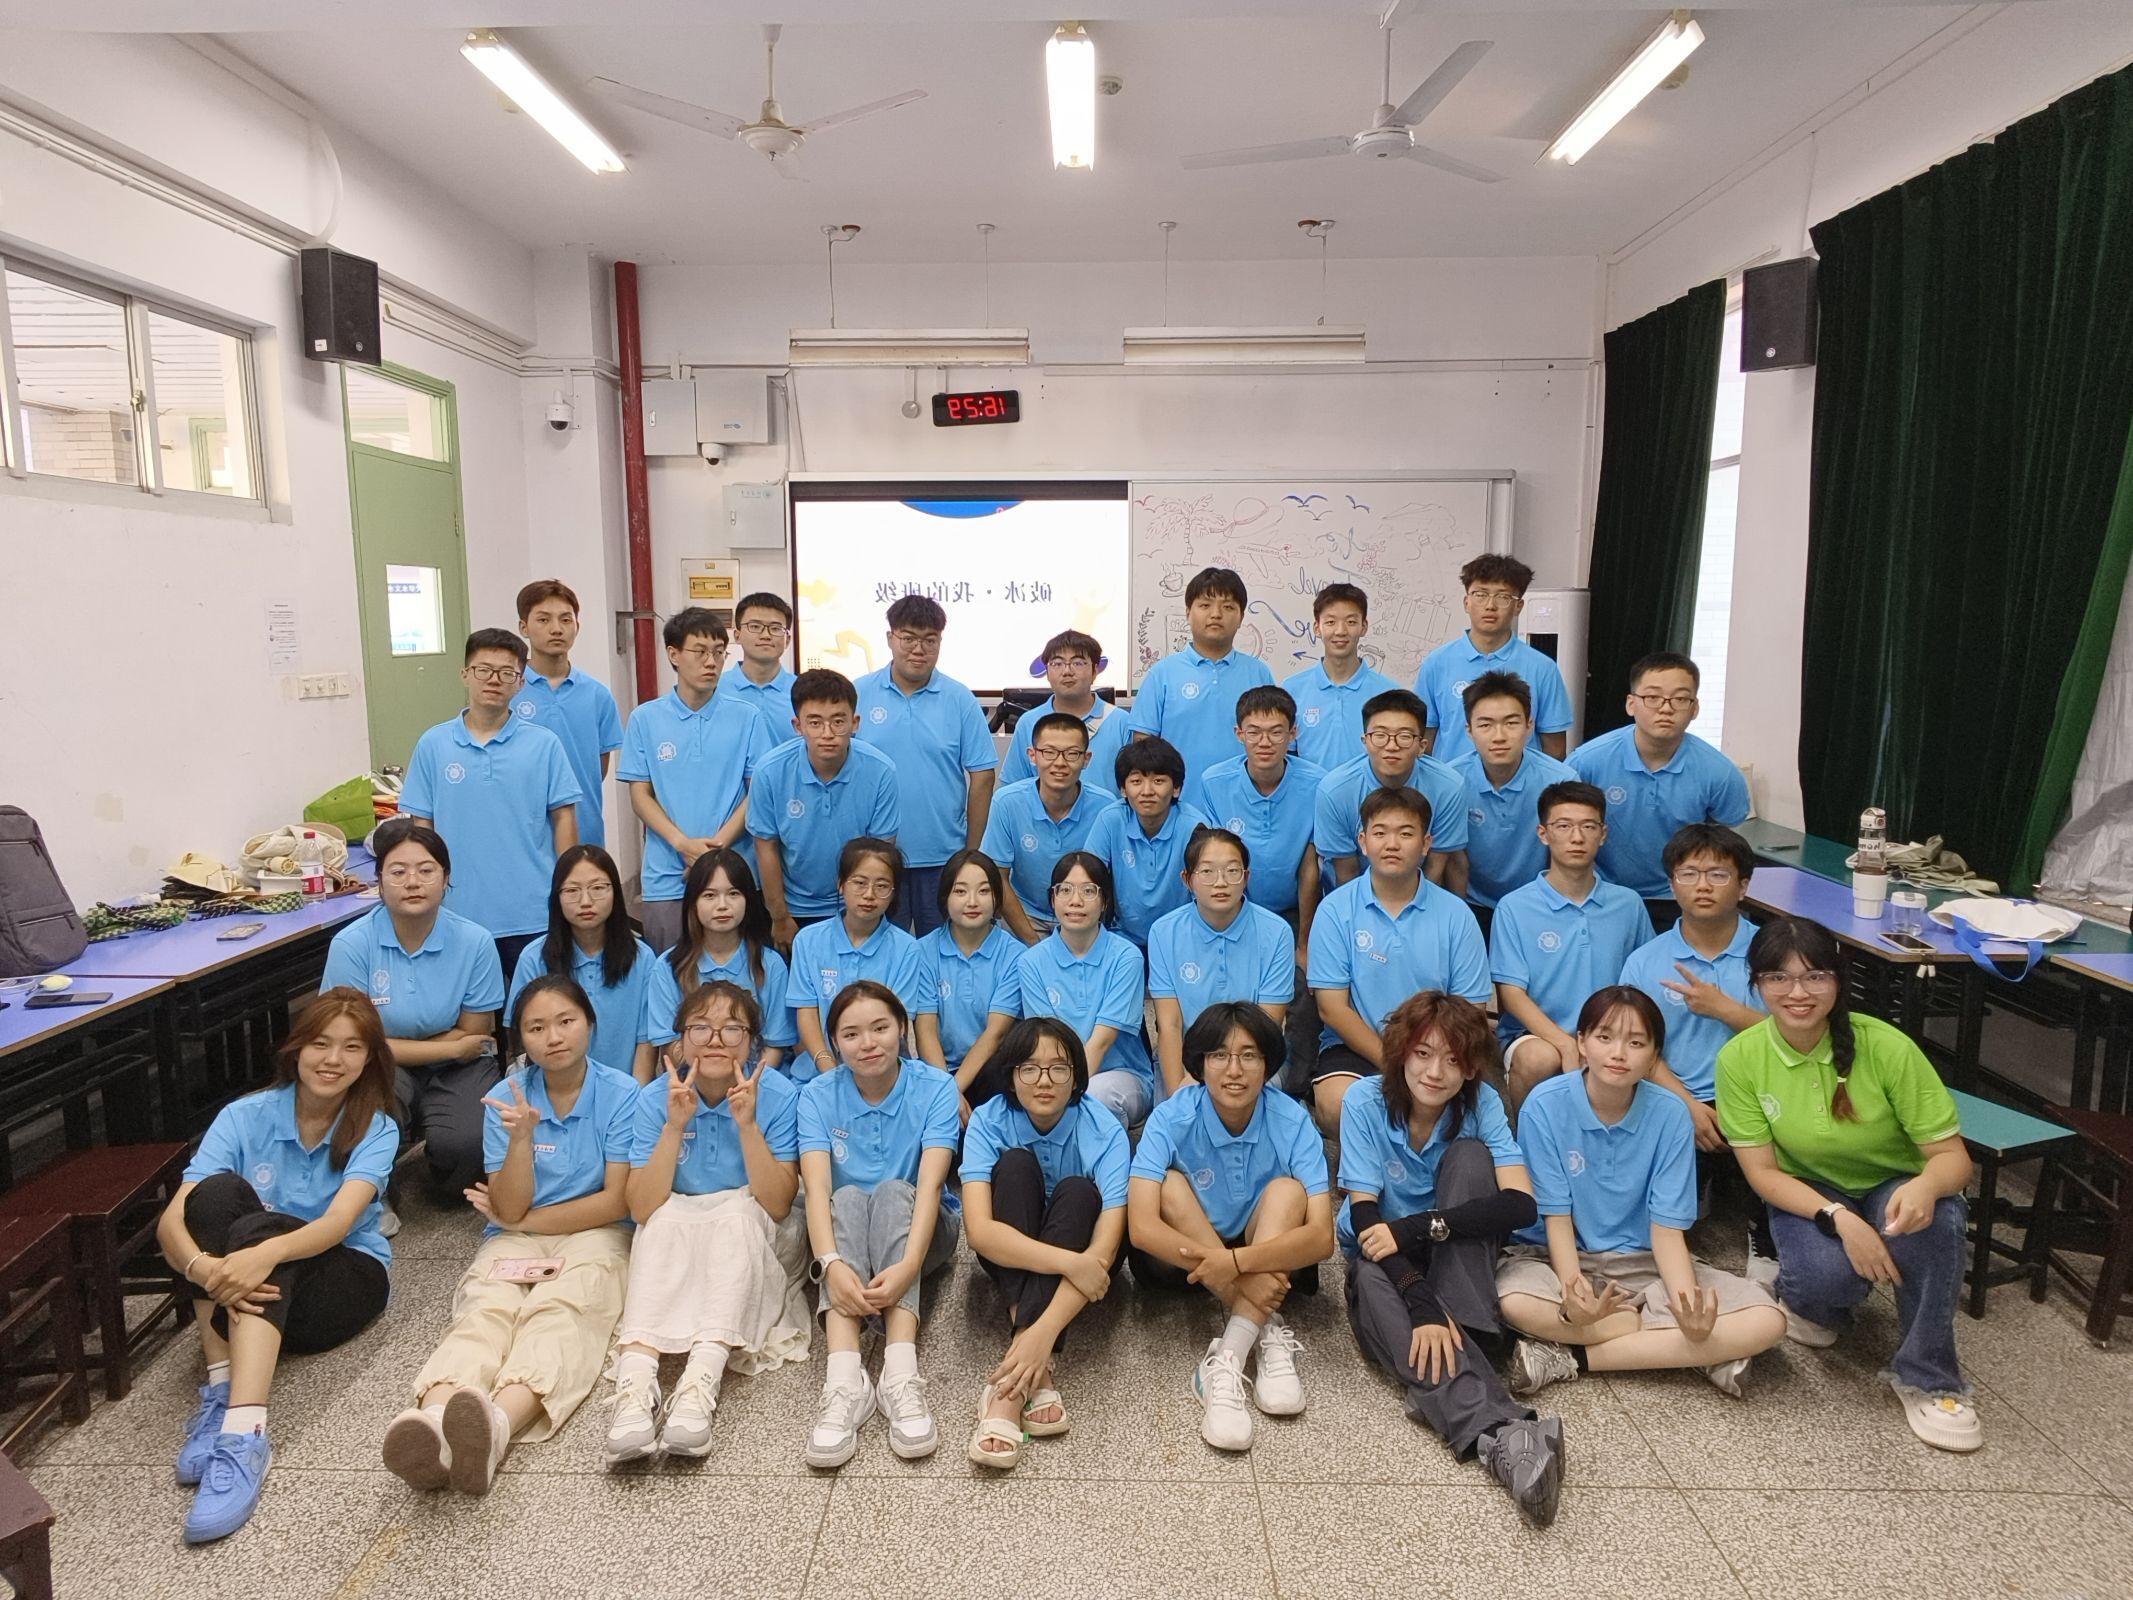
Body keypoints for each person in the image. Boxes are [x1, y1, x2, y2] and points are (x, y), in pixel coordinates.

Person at [1717, 917, 1981, 1452]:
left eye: (1815, 976)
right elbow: (1763, 1174)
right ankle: (1813, 1303)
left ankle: (1929, 1378)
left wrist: (1927, 1187)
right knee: (1826, 1281)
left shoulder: (1886, 1048)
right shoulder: (1740, 1059)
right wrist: (1841, 1220)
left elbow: (1953, 1159)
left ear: (1838, 980)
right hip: (1812, 1190)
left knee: (1936, 1224)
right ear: (1756, 983)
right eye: (1778, 978)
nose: (1797, 993)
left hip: (1893, 1179)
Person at [156, 988, 398, 1542]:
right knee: (213, 1197)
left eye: (352, 1047)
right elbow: (172, 1222)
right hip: (247, 1286)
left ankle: (246, 1433)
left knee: (262, 1232)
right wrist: (204, 1271)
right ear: (297, 1048)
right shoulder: (244, 1115)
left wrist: (262, 1253)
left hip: (345, 1280)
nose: (333, 1059)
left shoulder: (377, 1127)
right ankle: (222, 1388)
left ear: (369, 1059)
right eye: (320, 1043)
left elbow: (336, 1224)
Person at [382, 976, 637, 1492]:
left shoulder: (623, 1093)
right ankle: (435, 1420)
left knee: (565, 1309)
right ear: (521, 1039)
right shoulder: (504, 1097)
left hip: (599, 1231)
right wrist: (520, 1140)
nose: (554, 1037)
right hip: (517, 1233)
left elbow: (616, 1201)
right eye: (536, 1028)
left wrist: (520, 1221)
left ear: (589, 1024)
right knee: (486, 1305)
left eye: (566, 1021)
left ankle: (497, 1425)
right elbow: (511, 1205)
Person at [1334, 991, 1562, 1526]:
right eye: (1422, 1054)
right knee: (1370, 1278)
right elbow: (1366, 1220)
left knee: (1470, 1158)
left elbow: (1520, 1203)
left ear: (1472, 1067)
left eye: (1453, 1059)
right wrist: (1422, 1302)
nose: (1435, 1072)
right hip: (1384, 1261)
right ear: (1400, 1053)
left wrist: (1421, 1226)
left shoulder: (1481, 1104)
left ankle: (1451, 1382)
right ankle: (1502, 1433)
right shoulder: (1364, 1101)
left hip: (1451, 1253)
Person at [1494, 985, 1785, 1404]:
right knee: (1512, 1302)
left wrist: (1687, 1308)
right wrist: (1576, 1299)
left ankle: (1571, 1356)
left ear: (1653, 1057)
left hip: (1645, 1264)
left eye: (1636, 1043)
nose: (1618, 1053)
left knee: (1767, 1320)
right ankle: (1690, 1351)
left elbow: (1667, 1232)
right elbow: (1557, 1218)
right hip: (1555, 1259)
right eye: (1605, 1037)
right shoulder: (1545, 1105)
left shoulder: (1671, 1114)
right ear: (1581, 1042)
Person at [606, 981, 809, 1463]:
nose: (716, 1040)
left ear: (752, 1041)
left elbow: (778, 1204)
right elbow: (641, 1207)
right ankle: (635, 1388)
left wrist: (747, 1124)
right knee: (659, 1222)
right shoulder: (655, 1097)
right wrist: (674, 1126)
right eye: (701, 1028)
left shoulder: (779, 1094)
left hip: (756, 1228)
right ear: (680, 1040)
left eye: (732, 1029)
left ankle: (700, 1383)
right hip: (681, 1226)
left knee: (736, 1216)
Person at [1125, 1002, 1334, 1453]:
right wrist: (1240, 1277)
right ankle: (1263, 1322)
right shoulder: (1172, 1116)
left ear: (1268, 1064)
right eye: (1219, 1055)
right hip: (1182, 1263)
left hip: (1262, 1253)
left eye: (1249, 1056)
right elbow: (1140, 1227)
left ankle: (1227, 1359)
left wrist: (1236, 1262)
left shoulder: (1292, 1119)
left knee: (1288, 1192)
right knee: (1169, 1186)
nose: (1234, 1070)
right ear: (1199, 1064)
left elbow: (1322, 1237)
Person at [799, 981, 963, 1468]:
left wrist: (909, 1264)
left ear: (902, 1030)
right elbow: (817, 1192)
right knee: (848, 1196)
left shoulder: (936, 1087)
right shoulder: (816, 1095)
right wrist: (831, 1265)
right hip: (844, 1237)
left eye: (880, 1028)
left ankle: (899, 1372)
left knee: (892, 1191)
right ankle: (844, 1378)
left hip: (923, 1233)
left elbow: (930, 1187)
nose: (868, 1043)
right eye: (851, 1034)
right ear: (834, 1043)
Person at [959, 1017, 1130, 1469]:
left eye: (1058, 1068)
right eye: (1029, 1068)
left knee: (1078, 1192)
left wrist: (1041, 1331)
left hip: (1085, 1251)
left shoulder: (1104, 1129)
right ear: (1011, 1074)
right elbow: (980, 1232)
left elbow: (1102, 1253)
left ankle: (1009, 1392)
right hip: (1016, 1249)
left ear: (1077, 1076)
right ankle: (1039, 1373)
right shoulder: (989, 1120)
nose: (1044, 1080)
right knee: (1015, 1166)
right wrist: (1068, 1265)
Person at [322, 820, 504, 1200]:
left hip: (458, 1067)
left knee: (467, 1152)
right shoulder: (351, 945)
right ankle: (370, 1194)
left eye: (425, 871)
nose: (412, 882)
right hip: (379, 1064)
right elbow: (351, 1042)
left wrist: (397, 1044)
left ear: (446, 878)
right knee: (358, 1118)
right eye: (398, 872)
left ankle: (439, 1160)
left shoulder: (475, 941)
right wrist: (451, 1046)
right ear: (379, 881)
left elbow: (475, 1032)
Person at [1307, 787, 1491, 1134]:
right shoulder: (1334, 909)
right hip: (1358, 1046)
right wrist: (1395, 1064)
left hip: (1438, 1049)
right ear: (1363, 842)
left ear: (1426, 844)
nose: (1392, 844)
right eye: (1380, 833)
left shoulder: (1456, 914)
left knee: (1457, 1115)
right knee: (1337, 1104)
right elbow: (1332, 1009)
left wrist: (1425, 1060)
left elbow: (1471, 1009)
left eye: (1406, 834)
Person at [399, 627, 580, 974]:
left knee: (539, 1004)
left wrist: (567, 890)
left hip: (533, 913)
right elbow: (422, 828)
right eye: (483, 669)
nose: (494, 680)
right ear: (465, 675)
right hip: (455, 913)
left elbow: (564, 820)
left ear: (521, 682)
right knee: (466, 1007)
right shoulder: (433, 744)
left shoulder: (544, 745)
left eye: (507, 672)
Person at [1620, 824, 1765, 1234]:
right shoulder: (1644, 962)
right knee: (1677, 1217)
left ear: (1743, 886)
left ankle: (1765, 1228)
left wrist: (1726, 1010)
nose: (1703, 886)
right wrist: (1686, 1104)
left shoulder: (1771, 954)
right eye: (1689, 874)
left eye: (1718, 874)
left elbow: (1802, 1040)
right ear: (1672, 885)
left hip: (1758, 1098)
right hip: (1675, 1096)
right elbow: (1637, 1048)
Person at [1187, 685, 1324, 1088]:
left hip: (1295, 908)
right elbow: (1215, 854)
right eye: (1254, 732)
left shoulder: (1317, 782)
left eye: (1276, 732)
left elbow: (1310, 866)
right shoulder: (1215, 781)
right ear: (1238, 734)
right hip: (1234, 905)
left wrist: (1304, 943)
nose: (1265, 742)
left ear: (1293, 733)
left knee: (1303, 987)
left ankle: (1294, 1086)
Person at [617, 607, 774, 956]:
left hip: (735, 873)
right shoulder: (645, 719)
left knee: (739, 976)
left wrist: (716, 848)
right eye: (700, 651)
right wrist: (682, 844)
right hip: (668, 878)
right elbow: (640, 796)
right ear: (673, 654)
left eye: (719, 652)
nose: (711, 662)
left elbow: (757, 794)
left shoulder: (747, 717)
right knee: (673, 974)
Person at [1491, 781, 1653, 1111]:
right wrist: (1566, 1044)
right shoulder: (1514, 906)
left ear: (1603, 834)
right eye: (1563, 826)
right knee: (1538, 1059)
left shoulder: (1628, 904)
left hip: (1613, 1032)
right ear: (1543, 833)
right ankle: (1527, 1137)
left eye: (1588, 827)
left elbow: (1644, 981)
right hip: (1537, 1034)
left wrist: (1605, 1041)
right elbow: (1511, 993)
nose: (1576, 837)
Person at [855, 595, 999, 936]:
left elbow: (982, 777)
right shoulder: (858, 693)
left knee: (945, 950)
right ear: (890, 638)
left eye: (930, 640)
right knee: (881, 951)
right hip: (876, 859)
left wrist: (971, 853)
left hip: (944, 859)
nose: (919, 649)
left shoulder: (959, 698)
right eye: (908, 638)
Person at [1568, 652, 1750, 920]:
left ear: (1695, 708)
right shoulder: (1587, 761)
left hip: (1680, 898)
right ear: (1631, 704)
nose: (1666, 708)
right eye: (1652, 697)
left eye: (1680, 699)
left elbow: (1727, 837)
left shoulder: (1720, 772)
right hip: (1602, 894)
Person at [988, 853, 1156, 1128]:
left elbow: (1101, 1042)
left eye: (1088, 891)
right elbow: (1047, 1039)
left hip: (1122, 1076)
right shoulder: (1031, 962)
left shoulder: (1126, 957)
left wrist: (1066, 1092)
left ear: (1104, 901)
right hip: (1053, 1074)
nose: (1075, 900)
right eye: (1064, 890)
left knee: (1096, 1095)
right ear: (1052, 899)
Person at [747, 669, 900, 950]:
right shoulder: (769, 772)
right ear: (797, 726)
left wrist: (860, 914)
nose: (827, 734)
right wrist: (779, 916)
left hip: (857, 908)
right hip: (794, 909)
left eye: (838, 721)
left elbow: (880, 855)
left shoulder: (881, 772)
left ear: (855, 723)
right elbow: (765, 847)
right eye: (815, 723)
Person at [1148, 827, 1293, 1096]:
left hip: (1254, 1057)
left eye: (1232, 870)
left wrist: (1220, 1073)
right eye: (1207, 871)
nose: (1220, 882)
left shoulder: (1277, 932)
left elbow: (1267, 1025)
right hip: (1186, 1060)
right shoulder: (1163, 932)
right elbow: (1170, 1025)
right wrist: (1178, 1093)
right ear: (1187, 879)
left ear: (1246, 877)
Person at [788, 839, 944, 1081]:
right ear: (841, 884)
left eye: (882, 886)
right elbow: (806, 1013)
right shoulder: (808, 941)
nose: (869, 895)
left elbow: (896, 1021)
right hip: (818, 1073)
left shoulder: (907, 948)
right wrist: (830, 1072)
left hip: (881, 1072)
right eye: (859, 883)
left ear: (894, 892)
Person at [507, 846, 658, 1083]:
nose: (586, 901)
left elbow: (645, 1041)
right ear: (556, 897)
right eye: (572, 890)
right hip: (553, 1089)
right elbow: (525, 1040)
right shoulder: (534, 958)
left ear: (615, 892)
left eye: (598, 888)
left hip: (623, 1092)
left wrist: (635, 1098)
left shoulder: (642, 958)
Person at [643, 848, 798, 1079]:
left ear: (748, 900)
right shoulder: (668, 966)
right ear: (693, 903)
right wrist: (713, 1081)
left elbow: (775, 1046)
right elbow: (670, 1047)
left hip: (757, 1081)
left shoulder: (770, 964)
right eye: (709, 895)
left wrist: (745, 1083)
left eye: (733, 893)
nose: (722, 905)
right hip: (693, 1081)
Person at [1414, 554, 1573, 764]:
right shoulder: (1436, 664)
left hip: (1521, 783)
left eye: (1503, 597)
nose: (1490, 605)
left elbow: (1555, 749)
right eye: (1480, 594)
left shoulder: (1543, 668)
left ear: (1518, 606)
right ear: (1466, 602)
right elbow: (1425, 741)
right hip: (1453, 781)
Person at [1312, 688, 1470, 895]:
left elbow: (1435, 868)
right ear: (1365, 742)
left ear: (1422, 746)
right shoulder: (1335, 791)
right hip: (1353, 893)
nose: (1392, 746)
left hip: (1421, 890)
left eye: (1404, 736)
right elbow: (1346, 872)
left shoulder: (1448, 787)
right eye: (1380, 735)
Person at [1448, 671, 1577, 921]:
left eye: (1511, 723)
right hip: (1473, 905)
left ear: (1529, 726)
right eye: (1485, 725)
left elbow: (1565, 856)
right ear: (1469, 730)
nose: (1499, 736)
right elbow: (1452, 859)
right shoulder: (1452, 781)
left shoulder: (1561, 780)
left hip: (1540, 905)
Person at [1128, 566, 1274, 783]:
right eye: (1205, 605)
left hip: (1243, 798)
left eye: (1228, 607)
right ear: (1188, 613)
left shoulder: (1259, 673)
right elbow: (1143, 747)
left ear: (1241, 617)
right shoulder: (1161, 674)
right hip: (1179, 799)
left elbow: (1274, 742)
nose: (1216, 614)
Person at [511, 578, 624, 849]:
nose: (556, 629)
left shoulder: (597, 695)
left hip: (585, 832)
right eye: (543, 620)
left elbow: (598, 770)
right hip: (523, 836)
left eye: (565, 620)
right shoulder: (509, 691)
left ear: (577, 627)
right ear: (524, 627)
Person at [980, 711, 1109, 942]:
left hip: (1086, 916)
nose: (1059, 763)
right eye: (1049, 752)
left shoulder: (1105, 807)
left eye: (1072, 754)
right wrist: (1032, 943)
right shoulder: (1007, 803)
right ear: (1032, 755)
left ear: (1086, 759)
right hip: (1026, 914)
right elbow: (997, 876)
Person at [1086, 736, 1209, 946]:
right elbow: (1087, 878)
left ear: (1176, 788)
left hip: (1181, 939)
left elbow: (1206, 890)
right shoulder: (1111, 819)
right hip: (1122, 937)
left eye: (1158, 781)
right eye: (1136, 781)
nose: (1147, 791)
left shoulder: (1194, 826)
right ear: (1123, 789)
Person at [920, 849, 1026, 1088]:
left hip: (992, 1070)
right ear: (945, 897)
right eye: (960, 891)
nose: (972, 902)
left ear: (997, 897)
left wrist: (952, 1092)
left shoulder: (1015, 955)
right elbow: (925, 1031)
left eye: (984, 891)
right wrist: (945, 1090)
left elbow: (996, 1033)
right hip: (938, 1072)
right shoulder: (923, 951)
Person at [998, 629, 1132, 795]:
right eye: (1057, 663)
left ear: (1094, 671)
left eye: (1078, 663)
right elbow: (1013, 788)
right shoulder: (1029, 722)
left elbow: (1135, 786)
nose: (1067, 671)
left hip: (1107, 812)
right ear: (1047, 673)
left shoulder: (1121, 722)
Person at [1282, 583, 1396, 771]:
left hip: (1370, 791)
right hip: (1312, 790)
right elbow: (1288, 758)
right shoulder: (1292, 689)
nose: (1340, 631)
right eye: (1330, 622)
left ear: (1364, 627)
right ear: (1317, 628)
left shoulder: (1389, 693)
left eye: (1351, 622)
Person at [714, 591, 800, 740]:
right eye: (755, 626)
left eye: (775, 628)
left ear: (787, 640)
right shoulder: (713, 690)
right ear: (737, 636)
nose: (766, 635)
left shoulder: (803, 692)